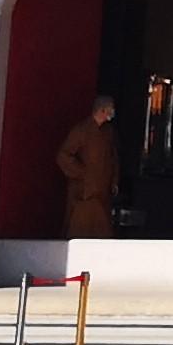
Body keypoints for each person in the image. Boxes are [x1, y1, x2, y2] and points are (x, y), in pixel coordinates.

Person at [55, 94, 122, 238]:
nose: (112, 112)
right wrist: (82, 173)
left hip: (103, 192)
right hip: (84, 193)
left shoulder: (108, 132)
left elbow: (113, 158)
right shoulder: (81, 130)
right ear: (102, 110)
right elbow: (63, 156)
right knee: (79, 231)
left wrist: (114, 180)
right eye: (110, 109)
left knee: (102, 233)